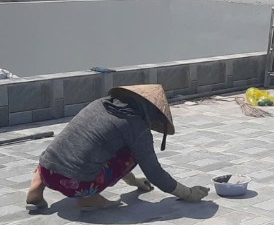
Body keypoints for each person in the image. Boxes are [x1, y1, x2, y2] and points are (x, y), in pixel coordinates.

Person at [25, 84, 209, 212]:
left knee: (67, 149)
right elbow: (154, 173)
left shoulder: (100, 104)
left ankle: (37, 185)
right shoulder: (136, 127)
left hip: (47, 169)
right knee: (134, 152)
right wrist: (188, 193)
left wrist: (134, 181)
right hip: (78, 185)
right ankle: (89, 199)